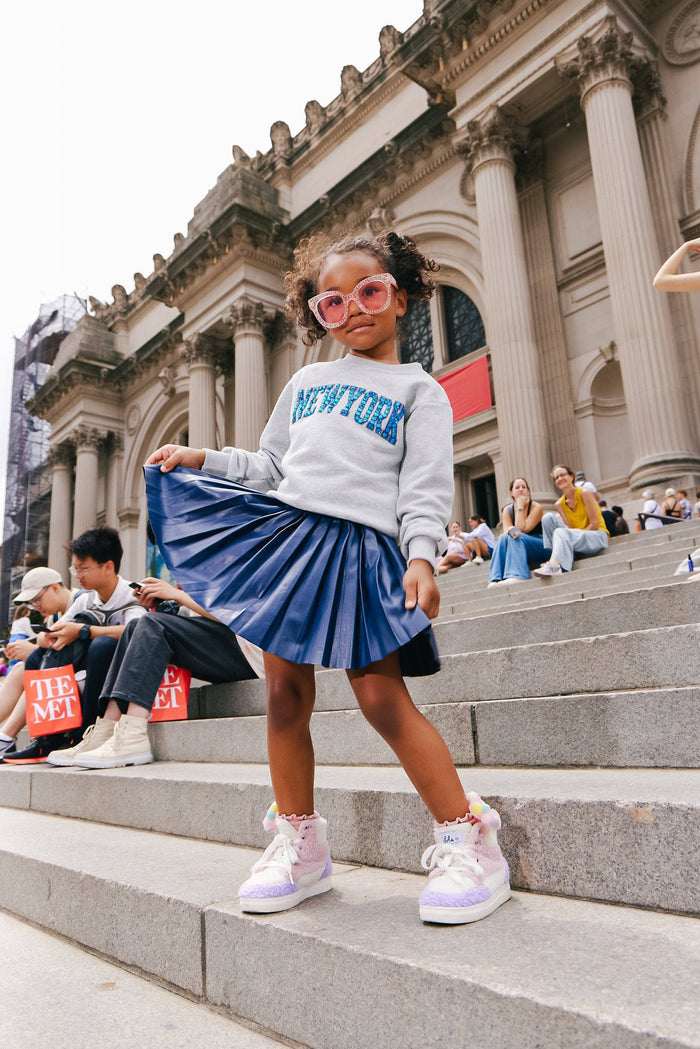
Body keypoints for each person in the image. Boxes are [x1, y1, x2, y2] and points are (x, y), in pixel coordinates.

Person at [144, 229, 510, 926]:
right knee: (283, 693)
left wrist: (423, 556)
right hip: (292, 541)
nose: (354, 311)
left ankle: (470, 840)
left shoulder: (418, 389)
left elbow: (426, 486)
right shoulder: (307, 382)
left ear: (399, 297)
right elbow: (270, 467)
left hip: (365, 551)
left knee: (380, 698)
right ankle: (300, 844)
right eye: (332, 303)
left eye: (369, 293)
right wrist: (202, 458)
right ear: (318, 315)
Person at [53, 577, 263, 769]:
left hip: (249, 654)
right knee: (135, 625)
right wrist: (169, 601)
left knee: (150, 623)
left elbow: (236, 615)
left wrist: (178, 595)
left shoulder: (232, 557)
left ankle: (133, 735)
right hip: (228, 649)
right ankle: (107, 728)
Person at [4, 528, 145, 764]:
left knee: (101, 645)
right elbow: (60, 628)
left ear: (108, 567)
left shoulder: (132, 595)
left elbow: (140, 632)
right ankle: (47, 737)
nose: (78, 575)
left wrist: (85, 631)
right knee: (36, 658)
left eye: (84, 568)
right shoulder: (87, 599)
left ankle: (85, 733)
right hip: (88, 670)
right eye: (75, 569)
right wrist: (48, 638)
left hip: (121, 674)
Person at [0, 568, 79, 761]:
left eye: (36, 600)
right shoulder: (54, 615)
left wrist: (33, 650)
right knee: (21, 668)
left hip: (86, 679)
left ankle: (5, 738)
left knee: (36, 670)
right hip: (68, 679)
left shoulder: (82, 602)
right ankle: (5, 738)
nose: (35, 607)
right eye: (32, 603)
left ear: (54, 588)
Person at [534, 464, 609, 577]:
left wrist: (574, 536)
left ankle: (555, 565)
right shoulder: (559, 504)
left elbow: (594, 524)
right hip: (579, 538)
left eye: (563, 475)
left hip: (597, 535)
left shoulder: (584, 492)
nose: (560, 478)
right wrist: (574, 536)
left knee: (560, 532)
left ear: (571, 477)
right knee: (547, 518)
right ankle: (554, 558)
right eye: (557, 477)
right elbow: (571, 528)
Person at [488, 477, 544, 587]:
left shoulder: (536, 507)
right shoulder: (507, 510)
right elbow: (506, 532)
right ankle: (495, 578)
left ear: (528, 491)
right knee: (503, 538)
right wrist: (510, 530)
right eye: (517, 487)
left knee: (518, 536)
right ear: (511, 492)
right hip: (519, 546)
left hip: (540, 545)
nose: (521, 489)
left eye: (524, 487)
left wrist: (520, 507)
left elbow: (522, 528)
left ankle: (518, 575)